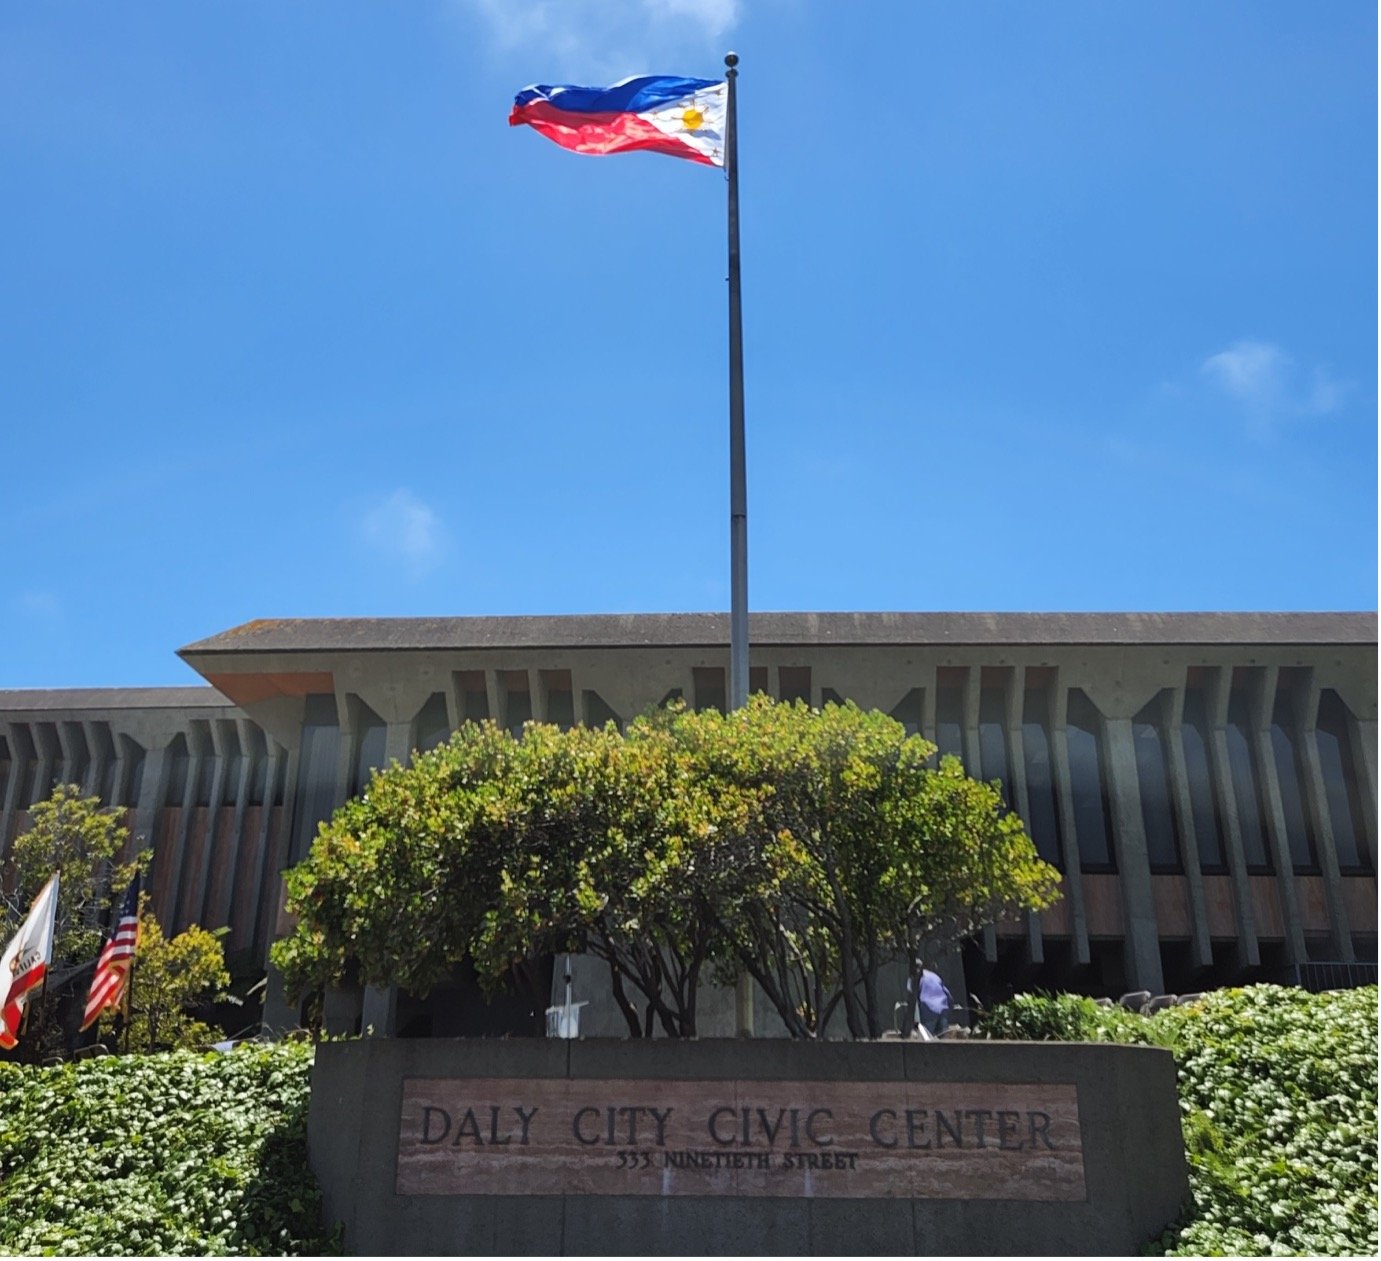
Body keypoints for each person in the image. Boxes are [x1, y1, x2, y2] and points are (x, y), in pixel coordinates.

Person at [913, 966, 953, 1038]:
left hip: (928, 1011)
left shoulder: (916, 979)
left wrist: (915, 1021)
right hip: (943, 1008)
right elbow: (948, 995)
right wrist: (948, 1009)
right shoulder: (934, 976)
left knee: (927, 1039)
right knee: (944, 1040)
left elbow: (913, 1000)